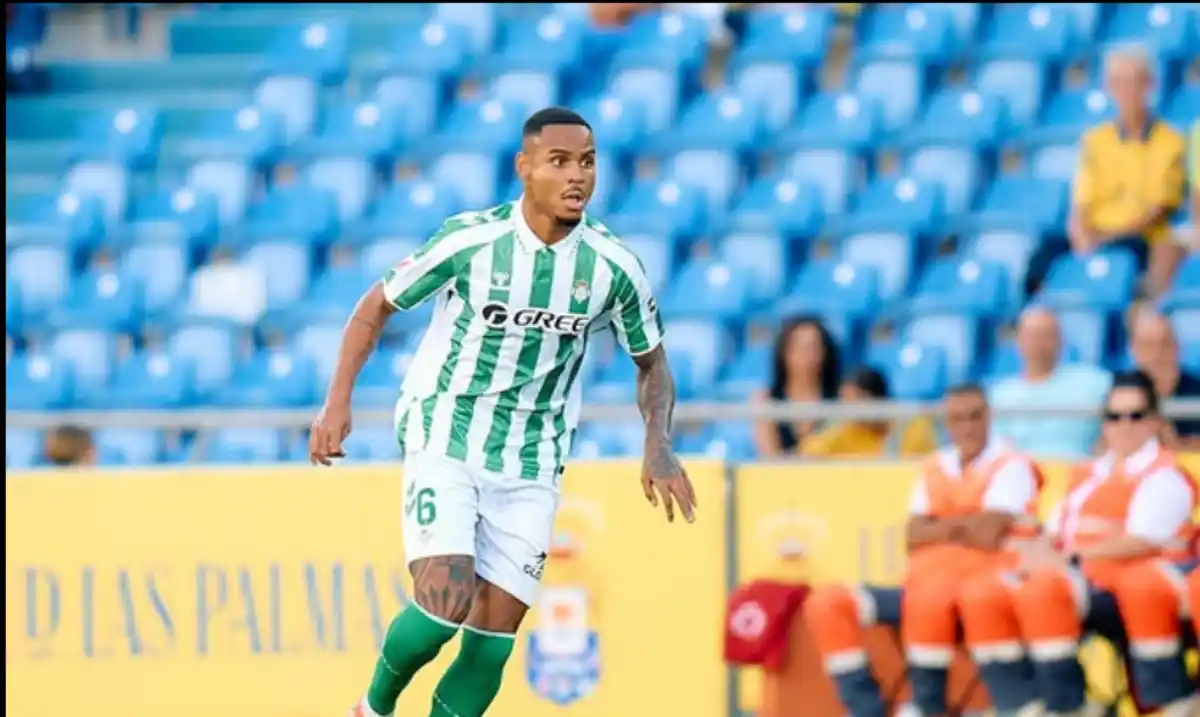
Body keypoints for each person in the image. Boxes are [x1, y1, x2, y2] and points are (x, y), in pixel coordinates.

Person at [309, 107, 697, 717]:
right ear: (525, 168)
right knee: (444, 601)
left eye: (588, 163)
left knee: (489, 648)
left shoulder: (613, 267)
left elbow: (653, 363)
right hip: (448, 429)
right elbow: (375, 306)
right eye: (560, 161)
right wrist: (338, 401)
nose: (577, 177)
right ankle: (373, 707)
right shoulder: (471, 241)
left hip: (533, 460)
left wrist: (659, 442)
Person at [960, 371, 1197, 717]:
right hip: (1079, 577)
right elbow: (1057, 530)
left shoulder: (1164, 473)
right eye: (1115, 416)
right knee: (983, 594)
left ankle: (1069, 705)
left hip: (1131, 587)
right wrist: (1038, 552)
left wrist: (1069, 557)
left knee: (1045, 589)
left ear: (1154, 422)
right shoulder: (1087, 474)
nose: (1124, 425)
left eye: (1135, 415)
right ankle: (1023, 703)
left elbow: (1143, 541)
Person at [804, 383, 1044, 717]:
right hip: (920, 587)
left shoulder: (1011, 463)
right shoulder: (934, 465)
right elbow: (913, 534)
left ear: (989, 417)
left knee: (932, 601)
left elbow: (989, 534)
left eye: (976, 416)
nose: (968, 427)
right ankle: (866, 708)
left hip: (982, 597)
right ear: (947, 423)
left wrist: (939, 526)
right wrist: (964, 524)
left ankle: (929, 703)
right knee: (827, 603)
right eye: (958, 419)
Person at [1059, 46, 1187, 297]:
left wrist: (1105, 239)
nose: (1128, 91)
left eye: (1134, 82)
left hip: (1138, 239)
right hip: (1096, 236)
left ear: (1149, 85)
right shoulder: (1096, 141)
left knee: (1127, 253)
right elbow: (1080, 206)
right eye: (1119, 83)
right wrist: (1083, 239)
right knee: (1043, 258)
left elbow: (1157, 210)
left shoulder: (1170, 142)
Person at [988, 306, 1112, 458]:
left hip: (1080, 473)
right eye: (1033, 336)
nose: (1040, 343)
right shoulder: (1001, 395)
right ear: (1018, 341)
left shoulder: (1095, 382)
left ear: (1061, 340)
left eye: (1047, 335)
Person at [801, 366, 939, 458]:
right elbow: (808, 454)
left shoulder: (913, 426)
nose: (848, 409)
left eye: (854, 400)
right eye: (844, 401)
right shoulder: (846, 429)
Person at [752, 315, 840, 458]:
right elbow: (769, 457)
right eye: (800, 347)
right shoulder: (766, 399)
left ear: (825, 352)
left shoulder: (840, 398)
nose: (808, 355)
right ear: (784, 352)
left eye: (814, 347)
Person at [1128, 308, 1200, 448]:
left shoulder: (1197, 391)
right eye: (1148, 346)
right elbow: (1100, 451)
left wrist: (1174, 443)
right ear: (1134, 350)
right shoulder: (1121, 393)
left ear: (1177, 348)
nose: (1157, 354)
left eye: (1165, 345)